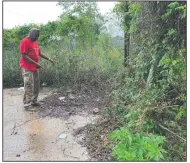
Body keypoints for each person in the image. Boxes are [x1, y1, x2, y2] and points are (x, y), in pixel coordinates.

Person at [19, 28, 55, 109]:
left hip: (34, 67)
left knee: (36, 84)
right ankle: (27, 104)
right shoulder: (24, 41)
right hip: (26, 67)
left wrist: (50, 59)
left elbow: (39, 53)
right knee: (29, 84)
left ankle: (34, 101)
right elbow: (24, 56)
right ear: (31, 34)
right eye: (36, 36)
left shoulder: (35, 42)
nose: (37, 38)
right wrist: (36, 63)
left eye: (38, 36)